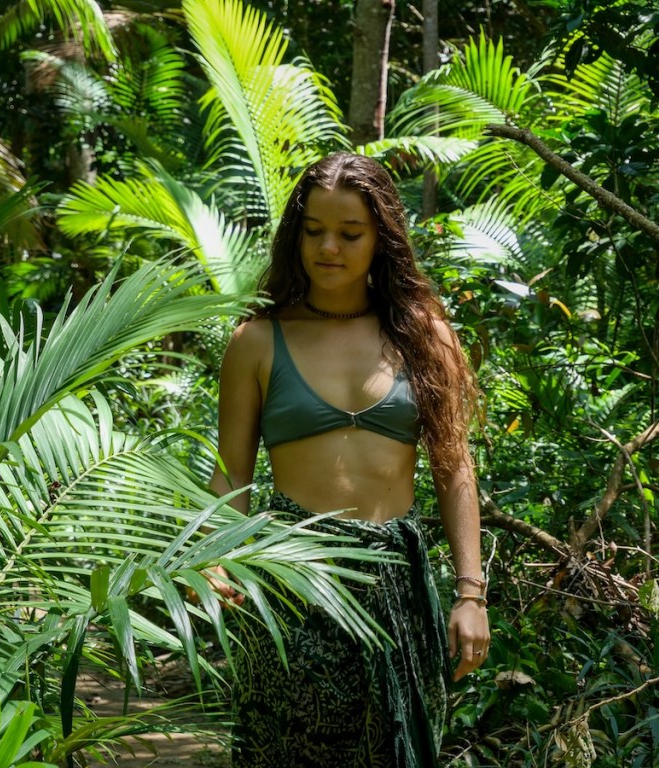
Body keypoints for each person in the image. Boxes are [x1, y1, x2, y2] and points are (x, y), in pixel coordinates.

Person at [209, 152, 490, 768]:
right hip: (290, 577)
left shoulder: (425, 336)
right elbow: (232, 472)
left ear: (382, 239)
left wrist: (471, 594)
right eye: (313, 230)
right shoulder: (257, 341)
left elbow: (454, 470)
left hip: (395, 585)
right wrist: (216, 557)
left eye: (349, 233)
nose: (328, 247)